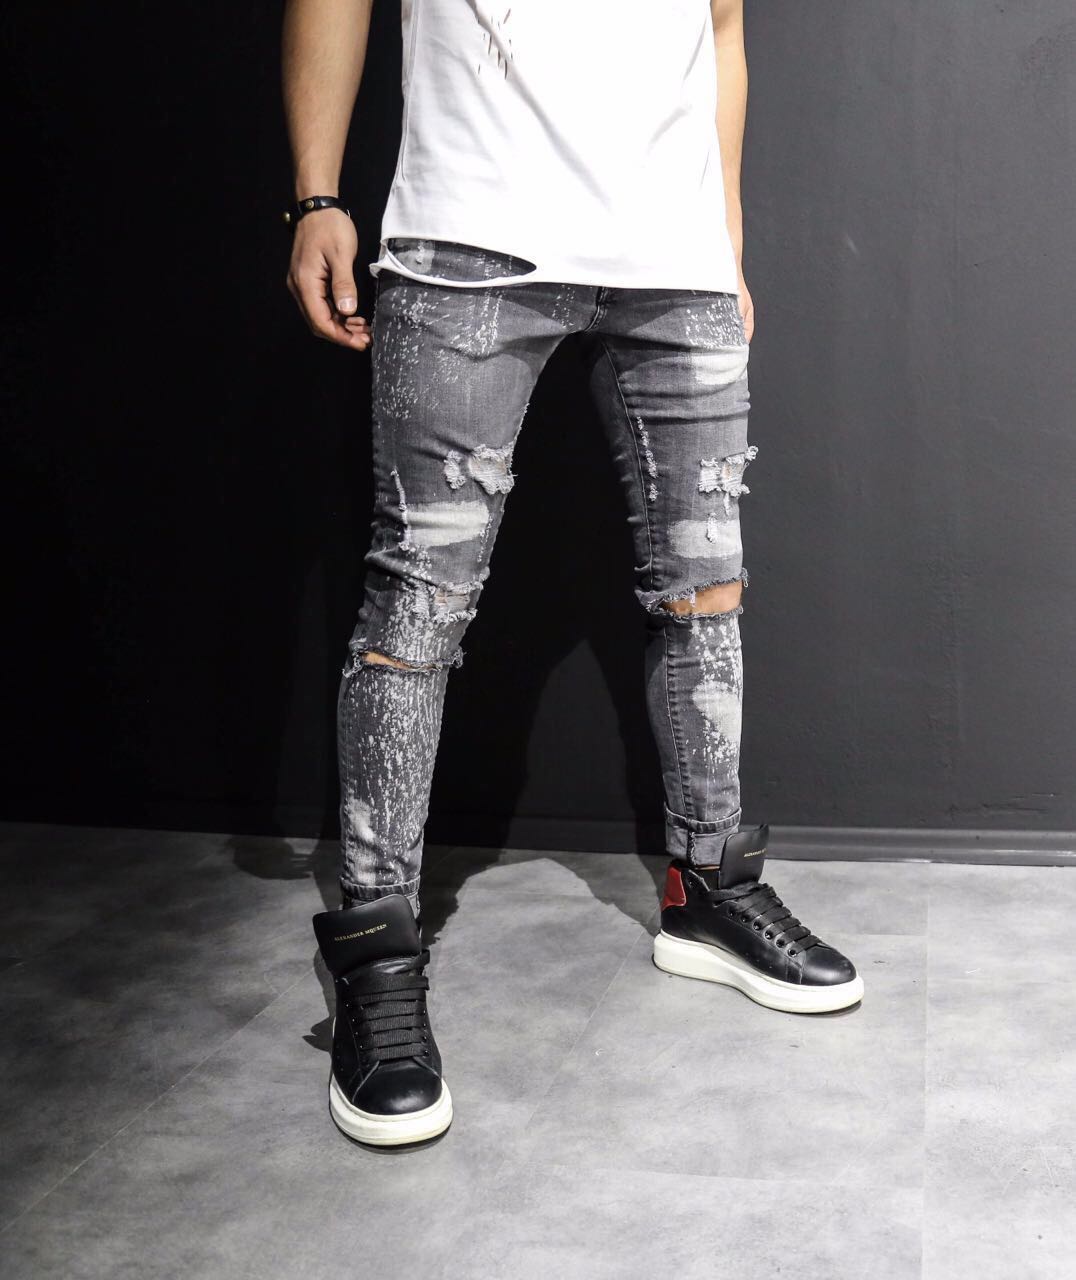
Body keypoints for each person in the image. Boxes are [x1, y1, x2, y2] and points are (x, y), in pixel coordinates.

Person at [282, 0, 862, 1148]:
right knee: (417, 606)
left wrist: (724, 230)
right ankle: (376, 951)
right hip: (470, 236)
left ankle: (707, 889)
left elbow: (722, 28)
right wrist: (315, 195)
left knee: (704, 593)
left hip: (673, 256)